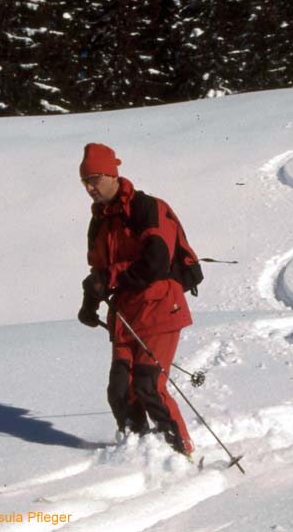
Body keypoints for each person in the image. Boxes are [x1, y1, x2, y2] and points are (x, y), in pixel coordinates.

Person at [77, 143, 194, 456]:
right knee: (119, 392)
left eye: (95, 179)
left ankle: (181, 452)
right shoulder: (99, 221)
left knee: (148, 386)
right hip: (126, 315)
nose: (90, 188)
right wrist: (89, 303)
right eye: (85, 182)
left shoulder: (147, 208)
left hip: (160, 308)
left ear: (113, 176)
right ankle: (139, 449)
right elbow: (99, 272)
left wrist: (110, 279)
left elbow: (156, 262)